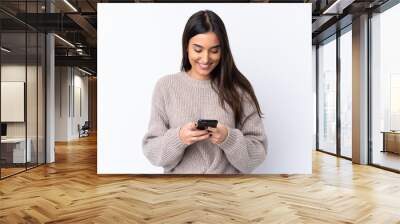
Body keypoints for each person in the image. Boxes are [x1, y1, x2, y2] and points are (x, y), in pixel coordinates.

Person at [142, 10, 267, 174]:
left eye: (214, 50)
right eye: (198, 49)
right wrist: (179, 138)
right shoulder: (165, 87)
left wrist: (228, 138)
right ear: (186, 46)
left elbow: (257, 155)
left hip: (228, 193)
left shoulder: (239, 90)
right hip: (178, 192)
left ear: (223, 51)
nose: (206, 59)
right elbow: (152, 152)